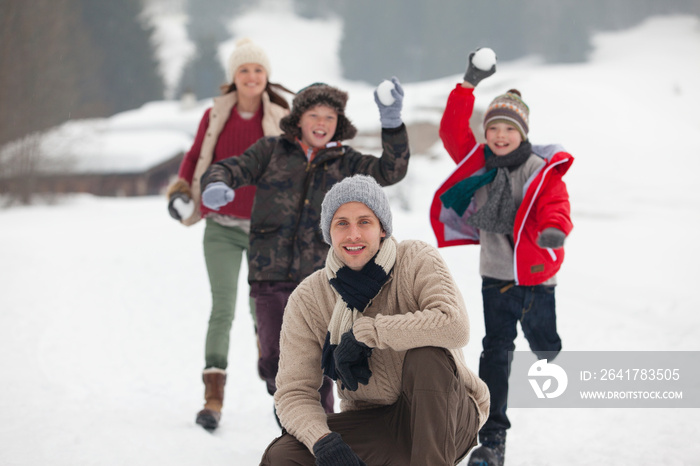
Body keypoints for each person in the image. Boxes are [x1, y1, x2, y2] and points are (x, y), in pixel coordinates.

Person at [199, 79, 411, 418]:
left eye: (330, 117)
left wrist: (391, 122)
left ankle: (319, 434)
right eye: (315, 115)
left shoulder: (345, 162)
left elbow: (391, 170)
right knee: (273, 361)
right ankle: (289, 397)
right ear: (299, 119)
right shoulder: (270, 151)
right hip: (269, 275)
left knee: (317, 362)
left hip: (320, 280)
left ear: (337, 124)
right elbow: (229, 167)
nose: (322, 124)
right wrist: (216, 183)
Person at [259, 175, 489, 465]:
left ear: (382, 229)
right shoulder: (309, 298)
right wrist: (323, 442)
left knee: (426, 355)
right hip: (376, 421)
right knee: (283, 455)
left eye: (364, 222)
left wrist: (366, 333)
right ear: (329, 233)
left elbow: (453, 324)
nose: (353, 234)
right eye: (342, 223)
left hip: (448, 416)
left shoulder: (415, 259)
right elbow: (294, 391)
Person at [430, 49, 574, 466]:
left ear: (522, 132)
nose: (499, 135)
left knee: (544, 341)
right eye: (493, 128)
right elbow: (452, 130)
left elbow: (555, 202)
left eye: (508, 128)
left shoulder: (536, 168)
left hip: (537, 277)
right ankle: (492, 442)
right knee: (496, 352)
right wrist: (469, 83)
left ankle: (548, 350)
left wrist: (555, 230)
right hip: (495, 277)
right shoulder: (479, 166)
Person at [166, 38, 293, 431]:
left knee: (265, 314)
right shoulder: (215, 113)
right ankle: (212, 398)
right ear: (233, 78)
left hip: (265, 231)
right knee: (222, 310)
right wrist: (182, 188)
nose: (251, 77)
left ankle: (280, 390)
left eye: (257, 69)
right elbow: (194, 156)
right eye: (244, 70)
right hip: (220, 228)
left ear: (266, 75)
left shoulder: (282, 115)